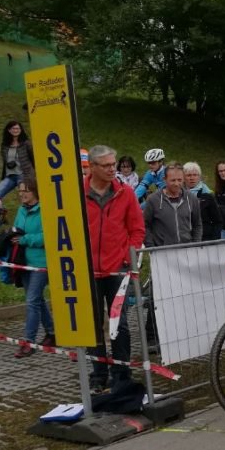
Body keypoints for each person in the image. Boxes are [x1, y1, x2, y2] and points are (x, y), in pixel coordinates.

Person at [84, 145, 145, 392]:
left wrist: (126, 257)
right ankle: (98, 373)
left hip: (117, 269)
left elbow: (137, 229)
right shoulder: (78, 192)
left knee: (118, 324)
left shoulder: (126, 193)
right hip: (89, 270)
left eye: (114, 164)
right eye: (107, 165)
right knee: (93, 323)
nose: (113, 169)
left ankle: (121, 373)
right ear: (93, 167)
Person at [11, 177, 54, 358]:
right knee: (37, 300)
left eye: (26, 191)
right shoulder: (21, 210)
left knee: (31, 301)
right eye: (20, 191)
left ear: (35, 192)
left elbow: (48, 236)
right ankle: (52, 333)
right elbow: (16, 229)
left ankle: (29, 342)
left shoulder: (45, 210)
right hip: (25, 261)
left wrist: (26, 239)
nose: (22, 194)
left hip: (41, 263)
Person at [144, 164, 203, 246]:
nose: (176, 183)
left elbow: (197, 224)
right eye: (173, 180)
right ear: (164, 179)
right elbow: (145, 225)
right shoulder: (153, 200)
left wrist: (196, 245)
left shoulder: (192, 198)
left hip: (188, 251)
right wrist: (151, 247)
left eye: (179, 180)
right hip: (162, 251)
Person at [0, 121, 34, 199]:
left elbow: (33, 160)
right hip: (10, 176)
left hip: (24, 175)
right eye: (13, 128)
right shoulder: (5, 145)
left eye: (18, 128)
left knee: (26, 199)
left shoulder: (26, 144)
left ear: (21, 130)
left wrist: (34, 175)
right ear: (9, 130)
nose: (16, 130)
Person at [183, 162, 222, 241]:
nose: (192, 178)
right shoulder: (178, 195)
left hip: (205, 239)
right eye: (189, 175)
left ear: (199, 177)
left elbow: (218, 221)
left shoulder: (207, 195)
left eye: (195, 175)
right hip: (185, 240)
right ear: (183, 177)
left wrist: (214, 241)